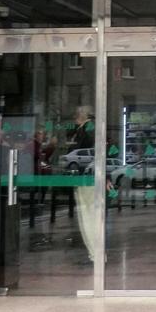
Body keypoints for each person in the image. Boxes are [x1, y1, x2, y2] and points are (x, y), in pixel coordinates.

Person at [69, 106, 102, 266]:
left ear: (81, 116)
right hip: (92, 177)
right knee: (91, 216)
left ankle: (95, 255)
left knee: (88, 217)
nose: (74, 118)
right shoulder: (94, 128)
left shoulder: (85, 131)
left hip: (86, 178)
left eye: (76, 115)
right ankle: (96, 254)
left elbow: (81, 154)